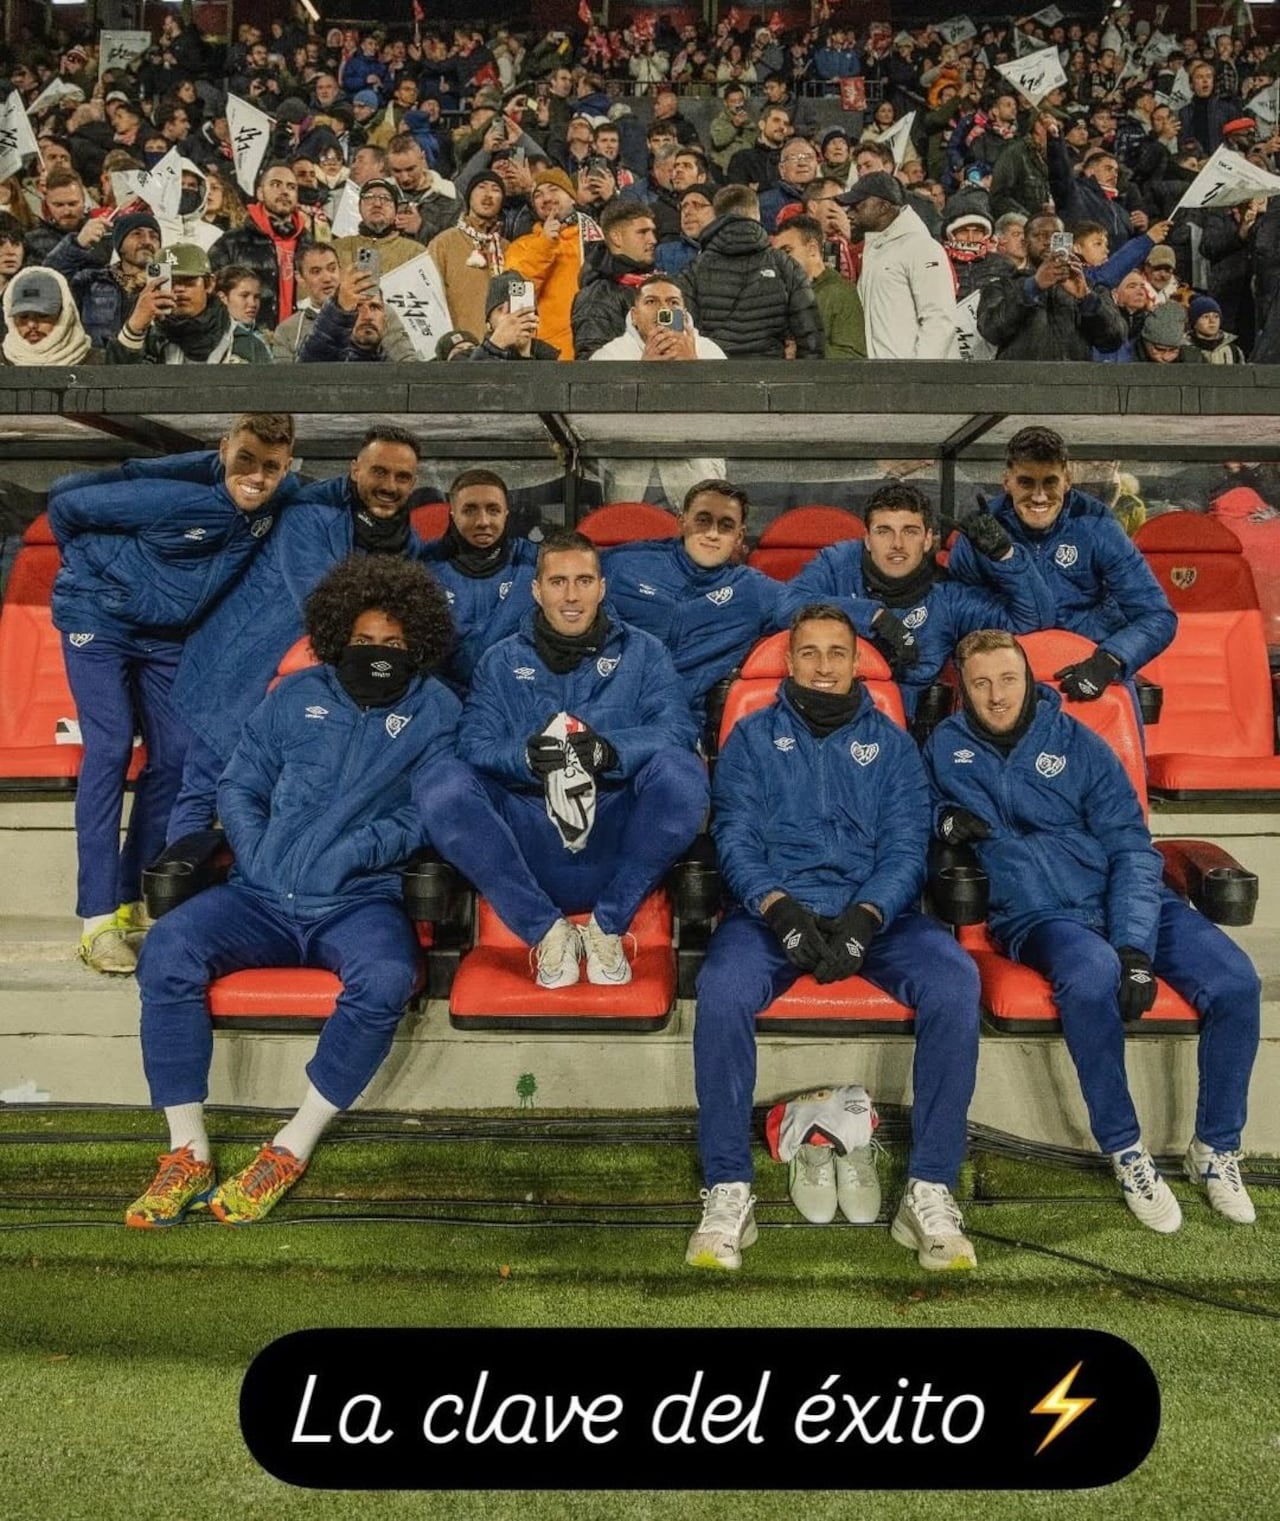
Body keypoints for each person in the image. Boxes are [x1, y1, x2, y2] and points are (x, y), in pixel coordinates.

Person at [127, 555, 458, 1228]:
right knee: (166, 949)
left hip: (358, 901)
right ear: (338, 635)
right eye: (365, 641)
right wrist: (257, 848)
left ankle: (291, 1144)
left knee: (390, 974)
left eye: (393, 644)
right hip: (260, 896)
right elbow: (240, 784)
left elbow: (431, 810)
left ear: (417, 643)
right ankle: (185, 1149)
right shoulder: (292, 695)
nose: (378, 653)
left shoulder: (438, 709)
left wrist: (360, 851)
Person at [925, 630, 1260, 1232]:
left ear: (1028, 678)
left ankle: (1215, 1146)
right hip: (1036, 914)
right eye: (980, 684)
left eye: (1007, 679)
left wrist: (1134, 944)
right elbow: (910, 806)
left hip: (1123, 897)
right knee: (1089, 973)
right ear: (963, 691)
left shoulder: (1079, 743)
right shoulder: (946, 747)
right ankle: (1126, 1147)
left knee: (1235, 981)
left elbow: (1131, 847)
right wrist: (943, 816)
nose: (996, 696)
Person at [688, 603, 981, 1272]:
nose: (823, 667)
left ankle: (930, 1188)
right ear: (790, 663)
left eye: (836, 654)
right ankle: (729, 1186)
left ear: (857, 664)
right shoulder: (753, 738)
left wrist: (869, 914)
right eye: (810, 653)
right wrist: (776, 906)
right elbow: (734, 833)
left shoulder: (894, 743)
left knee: (955, 981)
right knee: (722, 986)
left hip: (874, 918)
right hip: (774, 916)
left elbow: (908, 842)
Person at [47, 414, 297, 973]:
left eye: (272, 467)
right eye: (246, 461)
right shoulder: (171, 491)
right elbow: (63, 504)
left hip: (166, 638)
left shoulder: (277, 495)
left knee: (179, 756)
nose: (257, 477)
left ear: (288, 464)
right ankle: (97, 921)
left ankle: (135, 896)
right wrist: (104, 581)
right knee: (110, 748)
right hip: (100, 620)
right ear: (225, 447)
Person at [421, 530, 708, 990]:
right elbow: (474, 742)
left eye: (583, 580)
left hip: (615, 837)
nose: (571, 595)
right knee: (441, 781)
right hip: (529, 837)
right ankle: (546, 932)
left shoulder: (645, 653)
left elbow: (677, 728)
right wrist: (523, 756)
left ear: (602, 587)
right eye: (557, 582)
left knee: (682, 773)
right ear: (536, 590)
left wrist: (609, 750)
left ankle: (607, 929)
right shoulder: (500, 661)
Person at [166, 426, 430, 840]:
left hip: (310, 691)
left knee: (277, 806)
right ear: (355, 470)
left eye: (403, 478)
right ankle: (176, 896)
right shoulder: (309, 517)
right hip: (245, 673)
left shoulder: (407, 542)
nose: (390, 486)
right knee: (206, 789)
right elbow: (324, 604)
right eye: (379, 472)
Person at [789, 481, 1053, 718]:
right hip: (831, 723)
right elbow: (784, 604)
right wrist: (871, 617)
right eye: (884, 531)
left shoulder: (947, 599)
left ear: (928, 540)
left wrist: (1005, 556)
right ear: (867, 539)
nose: (897, 544)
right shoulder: (837, 564)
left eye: (910, 531)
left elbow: (1033, 618)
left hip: (911, 734)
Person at [945, 427, 1175, 701]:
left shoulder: (1097, 525)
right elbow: (958, 614)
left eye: (1050, 482)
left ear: (1067, 480)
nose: (1039, 496)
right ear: (1007, 482)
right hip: (1006, 677)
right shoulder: (983, 531)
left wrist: (1110, 660)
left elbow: (1158, 616)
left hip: (1085, 668)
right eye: (1027, 483)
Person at [602, 480, 790, 724]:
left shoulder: (753, 590)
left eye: (726, 525)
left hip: (677, 726)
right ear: (682, 523)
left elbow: (823, 612)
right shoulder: (625, 565)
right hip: (606, 710)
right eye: (703, 520)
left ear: (739, 535)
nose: (712, 534)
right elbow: (556, 575)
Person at [418, 467, 539, 689]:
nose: (483, 521)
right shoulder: (423, 567)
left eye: (493, 510)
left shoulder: (536, 562)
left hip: (514, 692)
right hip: (442, 697)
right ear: (453, 514)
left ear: (506, 514)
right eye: (470, 510)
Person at [678, 184, 823, 359]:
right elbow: (811, 337)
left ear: (716, 216)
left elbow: (682, 330)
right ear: (757, 214)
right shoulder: (785, 265)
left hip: (714, 377)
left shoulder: (693, 270)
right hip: (770, 377)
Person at [977, 212, 1127, 361]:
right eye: (1039, 235)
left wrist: (1086, 298)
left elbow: (1114, 339)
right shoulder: (1002, 286)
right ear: (1025, 243)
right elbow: (991, 331)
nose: (1048, 242)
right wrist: (1033, 287)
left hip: (1073, 382)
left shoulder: (1090, 287)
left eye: (1056, 236)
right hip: (1021, 382)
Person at [841, 173, 959, 360]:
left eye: (858, 205)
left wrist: (915, 375)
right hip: (883, 376)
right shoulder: (874, 249)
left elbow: (939, 319)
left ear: (883, 207)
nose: (849, 213)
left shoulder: (922, 247)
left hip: (911, 379)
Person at [106, 243, 271, 365]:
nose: (178, 289)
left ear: (209, 284)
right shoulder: (145, 337)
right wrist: (135, 326)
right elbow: (113, 389)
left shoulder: (246, 343)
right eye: (170, 282)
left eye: (188, 281)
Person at [210, 160, 325, 332]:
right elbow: (211, 292)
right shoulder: (231, 242)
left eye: (291, 187)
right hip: (250, 344)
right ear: (260, 193)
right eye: (276, 184)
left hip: (301, 343)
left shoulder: (310, 246)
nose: (285, 191)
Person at [502, 168, 595, 358]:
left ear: (572, 198)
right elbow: (516, 293)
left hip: (594, 350)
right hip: (547, 354)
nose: (546, 198)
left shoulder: (595, 239)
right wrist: (544, 244)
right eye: (538, 194)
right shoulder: (521, 246)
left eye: (554, 189)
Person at [570, 198, 657, 359]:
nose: (653, 240)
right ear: (616, 238)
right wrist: (645, 369)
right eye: (642, 232)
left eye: (652, 232)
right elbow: (593, 368)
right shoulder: (597, 297)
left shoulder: (657, 285)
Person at [772, 213, 867, 359]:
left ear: (812, 249)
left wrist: (803, 350)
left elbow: (853, 357)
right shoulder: (779, 295)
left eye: (787, 251)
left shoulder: (840, 293)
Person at [426, 170, 508, 337]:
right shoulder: (443, 243)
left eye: (495, 189)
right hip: (459, 348)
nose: (488, 195)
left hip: (502, 347)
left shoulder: (508, 248)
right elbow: (430, 298)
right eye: (481, 187)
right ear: (469, 197)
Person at [298, 257, 418, 362]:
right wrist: (339, 311)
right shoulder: (326, 365)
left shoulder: (397, 371)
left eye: (374, 307)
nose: (368, 316)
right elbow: (312, 363)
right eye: (358, 307)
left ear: (385, 322)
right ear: (345, 316)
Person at [1, 266, 94, 367]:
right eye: (23, 316)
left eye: (42, 316)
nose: (32, 324)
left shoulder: (97, 362)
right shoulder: (2, 359)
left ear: (64, 315)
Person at [332, 176, 424, 276]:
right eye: (369, 197)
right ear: (359, 207)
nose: (377, 204)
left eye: (386, 198)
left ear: (396, 210)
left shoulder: (415, 252)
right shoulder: (336, 250)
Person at [270, 240, 341, 360]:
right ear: (300, 278)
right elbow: (283, 377)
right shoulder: (287, 331)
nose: (327, 278)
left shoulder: (371, 315)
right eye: (316, 272)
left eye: (332, 269)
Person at [468, 270, 561, 361]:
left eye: (518, 309)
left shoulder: (552, 363)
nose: (511, 317)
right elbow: (471, 376)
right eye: (501, 309)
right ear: (489, 321)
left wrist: (524, 352)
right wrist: (494, 347)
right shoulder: (467, 357)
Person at [385, 132, 459, 245]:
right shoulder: (380, 194)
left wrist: (421, 228)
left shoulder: (448, 195)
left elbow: (455, 245)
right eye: (397, 171)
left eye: (410, 169)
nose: (404, 178)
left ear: (423, 158)